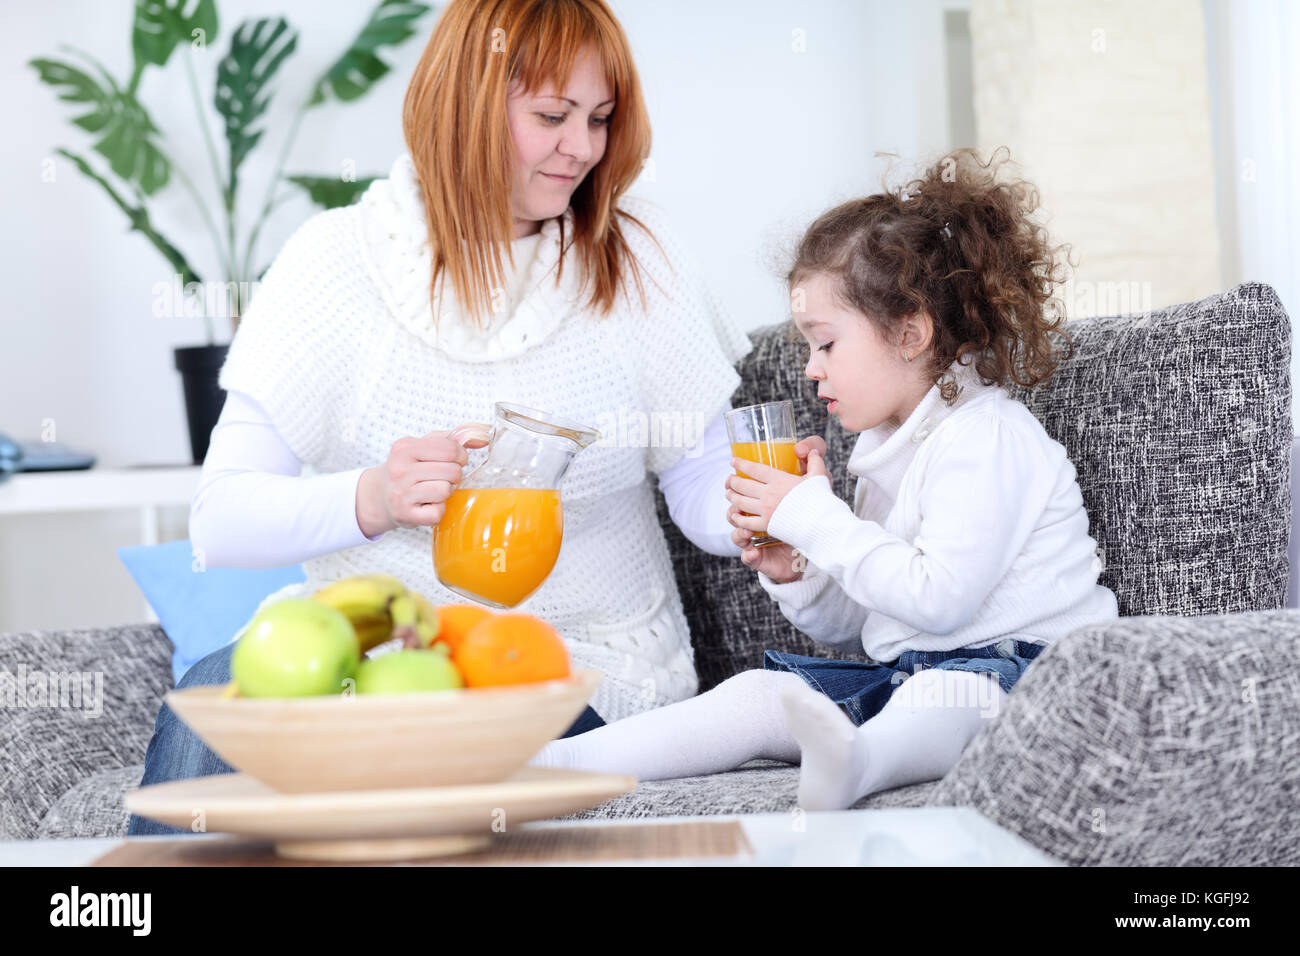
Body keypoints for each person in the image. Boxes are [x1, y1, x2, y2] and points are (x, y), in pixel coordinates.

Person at [126, 0, 780, 836]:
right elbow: (221, 521)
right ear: (466, 102)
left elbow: (697, 478)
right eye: (552, 115)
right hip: (373, 657)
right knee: (215, 701)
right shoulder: (333, 266)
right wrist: (373, 498)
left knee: (407, 751)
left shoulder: (636, 256)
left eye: (600, 119)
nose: (581, 148)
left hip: (571, 671)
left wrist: (769, 520)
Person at [530, 147, 1121, 811]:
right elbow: (871, 622)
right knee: (758, 696)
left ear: (911, 333)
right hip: (911, 677)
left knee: (942, 696)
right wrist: (800, 569)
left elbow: (938, 602)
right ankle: (558, 759)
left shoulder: (987, 439)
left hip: (1032, 679)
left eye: (826, 343)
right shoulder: (882, 448)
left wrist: (816, 514)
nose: (812, 368)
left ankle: (858, 763)